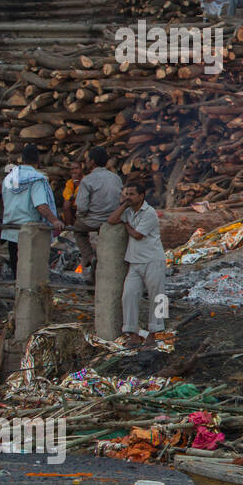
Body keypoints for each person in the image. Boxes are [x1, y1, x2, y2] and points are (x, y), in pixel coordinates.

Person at [106, 181, 165, 348]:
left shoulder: (149, 213)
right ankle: (133, 335)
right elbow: (111, 220)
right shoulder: (129, 211)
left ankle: (155, 334)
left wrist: (126, 225)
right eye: (126, 194)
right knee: (129, 296)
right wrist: (123, 205)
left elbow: (137, 234)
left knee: (158, 297)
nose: (128, 197)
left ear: (141, 196)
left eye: (132, 194)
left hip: (153, 260)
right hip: (135, 261)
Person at [0, 143, 61, 277]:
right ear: (38, 160)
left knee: (17, 271)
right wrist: (54, 220)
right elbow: (41, 206)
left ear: (21, 158)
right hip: (29, 233)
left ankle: (17, 297)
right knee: (29, 273)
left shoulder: (9, 178)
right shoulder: (36, 180)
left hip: (11, 229)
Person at [70, 145, 121, 276]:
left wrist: (81, 216)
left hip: (93, 220)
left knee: (78, 230)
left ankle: (88, 257)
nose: (86, 162)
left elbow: (81, 207)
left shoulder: (88, 180)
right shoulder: (116, 178)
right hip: (113, 220)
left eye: (87, 159)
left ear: (92, 162)